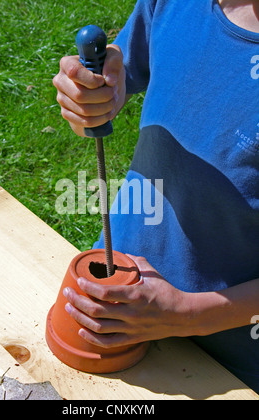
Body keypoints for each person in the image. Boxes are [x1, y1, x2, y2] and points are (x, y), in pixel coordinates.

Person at [53, 0, 259, 392]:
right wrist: (93, 96)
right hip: (112, 293)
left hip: (223, 361)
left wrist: (187, 314)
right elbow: (122, 68)